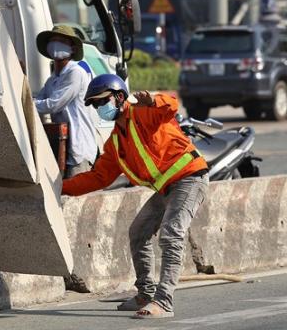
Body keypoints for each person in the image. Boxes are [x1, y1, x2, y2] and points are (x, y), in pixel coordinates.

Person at [62, 74, 209, 319]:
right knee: (138, 233)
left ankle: (164, 302)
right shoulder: (116, 142)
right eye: (95, 105)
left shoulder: (143, 112)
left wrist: (152, 100)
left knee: (172, 234)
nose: (100, 108)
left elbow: (170, 105)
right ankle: (145, 294)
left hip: (189, 178)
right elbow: (98, 177)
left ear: (120, 97)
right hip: (166, 189)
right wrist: (61, 187)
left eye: (102, 102)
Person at [33, 25, 97, 177]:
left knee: (77, 197)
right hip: (62, 145)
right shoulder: (52, 79)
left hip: (78, 148)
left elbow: (54, 104)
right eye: (53, 40)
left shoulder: (76, 73)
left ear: (73, 49)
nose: (56, 44)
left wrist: (25, 104)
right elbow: (39, 99)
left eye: (61, 41)